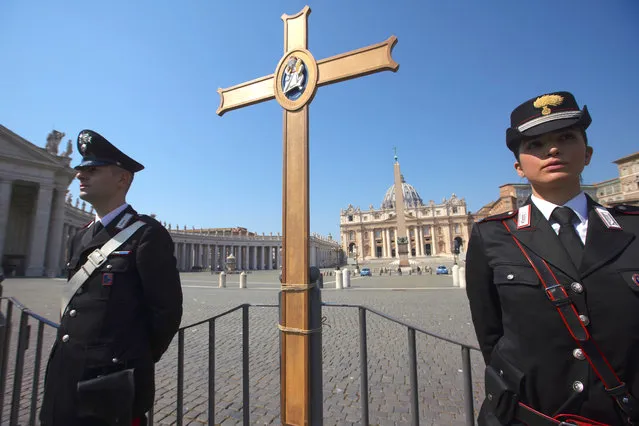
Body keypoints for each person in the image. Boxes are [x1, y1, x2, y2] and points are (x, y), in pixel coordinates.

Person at [466, 92, 639, 426]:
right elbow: (491, 338)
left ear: (588, 154)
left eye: (565, 137)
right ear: (518, 167)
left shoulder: (633, 226)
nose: (552, 150)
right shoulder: (491, 236)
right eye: (535, 144)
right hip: (529, 415)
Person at [40, 129, 183, 426]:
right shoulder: (79, 238)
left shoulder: (146, 235)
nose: (80, 175)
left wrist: (127, 358)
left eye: (92, 169)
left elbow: (166, 314)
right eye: (80, 169)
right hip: (64, 381)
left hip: (109, 388)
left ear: (122, 179)